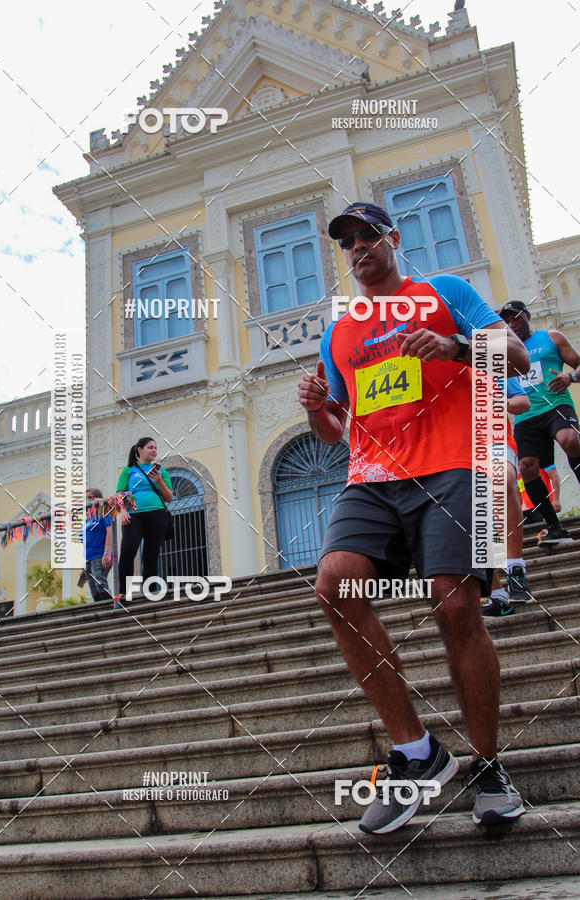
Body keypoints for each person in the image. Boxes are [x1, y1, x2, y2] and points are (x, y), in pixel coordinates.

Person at [297, 202, 530, 834]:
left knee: (455, 605)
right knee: (335, 583)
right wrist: (318, 407)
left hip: (456, 463)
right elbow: (333, 432)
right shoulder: (339, 333)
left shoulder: (443, 291)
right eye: (346, 241)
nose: (357, 247)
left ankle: (487, 766)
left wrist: (456, 345)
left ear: (393, 239)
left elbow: (517, 357)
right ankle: (416, 752)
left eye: (367, 234)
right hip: (372, 477)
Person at [500, 299, 580, 545]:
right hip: (526, 416)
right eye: (508, 321)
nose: (513, 324)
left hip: (556, 405)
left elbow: (578, 363)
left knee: (570, 440)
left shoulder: (551, 337)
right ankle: (554, 528)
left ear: (528, 316)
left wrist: (570, 376)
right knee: (527, 467)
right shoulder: (505, 351)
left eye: (516, 318)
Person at [481, 378, 532, 616]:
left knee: (501, 479)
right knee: (464, 508)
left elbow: (523, 401)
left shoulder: (491, 363)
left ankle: (515, 568)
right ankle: (496, 594)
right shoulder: (430, 365)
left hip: (494, 439)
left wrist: (503, 403)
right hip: (453, 447)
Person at [116, 437, 173, 602]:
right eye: (150, 447)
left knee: (151, 555)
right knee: (128, 551)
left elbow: (169, 497)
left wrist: (159, 481)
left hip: (157, 514)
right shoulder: (129, 471)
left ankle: (151, 592)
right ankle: (123, 592)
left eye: (156, 448)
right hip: (133, 515)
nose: (154, 450)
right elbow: (120, 494)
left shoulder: (162, 472)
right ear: (139, 450)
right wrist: (123, 511)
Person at [82, 488, 113, 603]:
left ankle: (111, 608)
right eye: (85, 498)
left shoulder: (104, 513)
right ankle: (101, 611)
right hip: (88, 558)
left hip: (99, 554)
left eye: (90, 497)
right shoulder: (87, 518)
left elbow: (109, 532)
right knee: (93, 588)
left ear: (97, 498)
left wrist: (106, 553)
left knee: (100, 583)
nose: (87, 501)